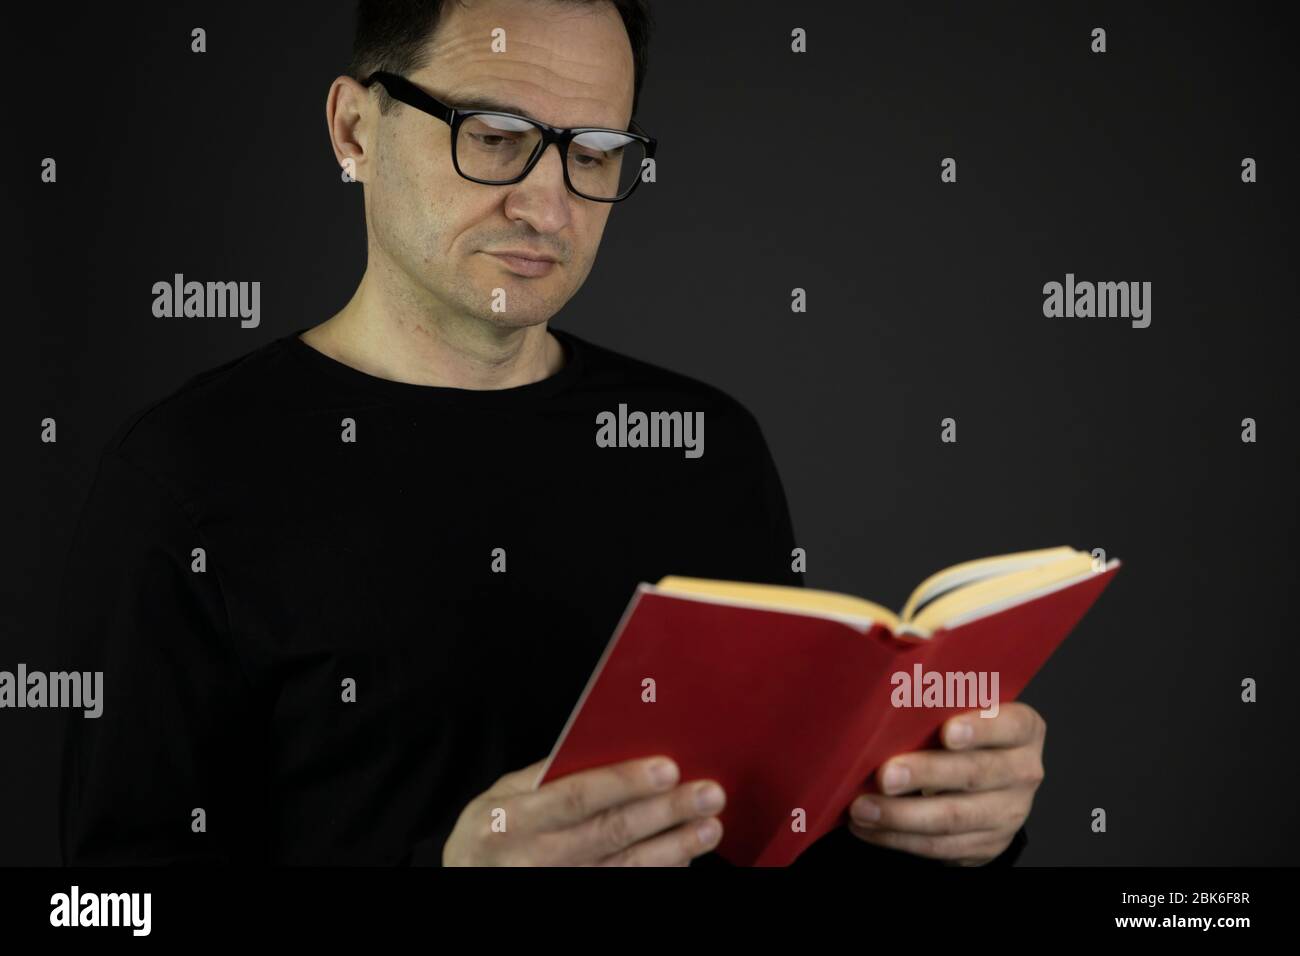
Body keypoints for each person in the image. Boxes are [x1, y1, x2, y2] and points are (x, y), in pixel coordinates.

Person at [56, 0, 1037, 866]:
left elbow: (767, 838)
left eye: (594, 151)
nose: (547, 202)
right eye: (491, 133)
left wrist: (939, 824)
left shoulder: (704, 443)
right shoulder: (181, 477)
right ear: (354, 127)